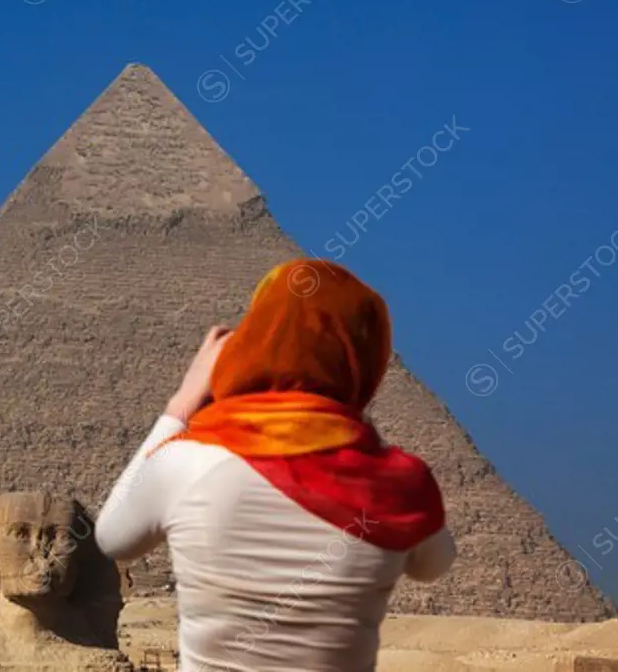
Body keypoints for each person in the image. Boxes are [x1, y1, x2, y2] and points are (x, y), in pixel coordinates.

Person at [95, 259, 456, 672]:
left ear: (250, 344)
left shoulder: (186, 461)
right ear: (366, 360)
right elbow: (435, 564)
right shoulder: (400, 487)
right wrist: (351, 426)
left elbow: (111, 539)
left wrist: (181, 404)